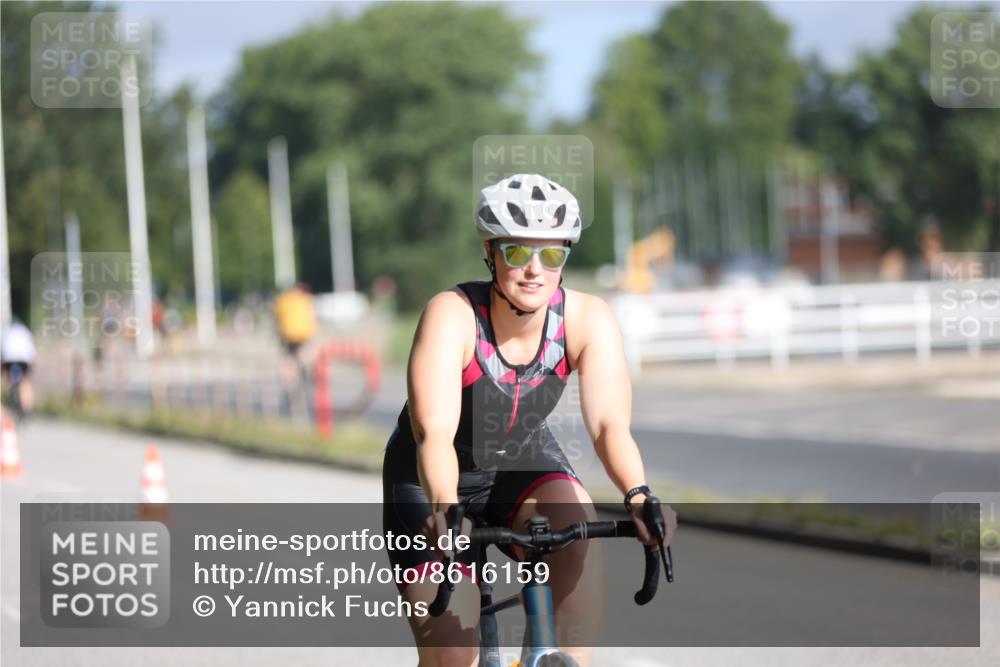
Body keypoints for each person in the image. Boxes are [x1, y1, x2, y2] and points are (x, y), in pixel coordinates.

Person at [382, 173, 677, 666]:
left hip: (521, 461)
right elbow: (433, 434)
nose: (535, 270)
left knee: (577, 523)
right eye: (518, 252)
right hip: (430, 479)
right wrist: (445, 508)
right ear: (490, 252)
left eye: (552, 255)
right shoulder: (452, 315)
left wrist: (639, 495)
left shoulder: (587, 319)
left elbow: (609, 426)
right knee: (452, 655)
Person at [1, 318, 37, 417]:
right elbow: (32, 350)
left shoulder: (6, 331)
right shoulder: (25, 331)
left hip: (9, 358)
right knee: (25, 382)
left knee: (7, 376)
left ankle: (9, 391)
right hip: (24, 358)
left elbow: (2, 347)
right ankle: (27, 409)